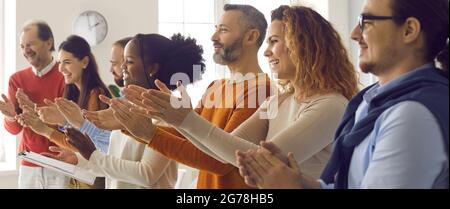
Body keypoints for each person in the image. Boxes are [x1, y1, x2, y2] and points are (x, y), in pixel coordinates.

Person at [123, 4, 359, 186]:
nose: (267, 52)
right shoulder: (279, 100)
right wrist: (177, 120)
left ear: (302, 45)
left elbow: (259, 160)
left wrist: (181, 120)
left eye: (274, 41)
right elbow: (226, 151)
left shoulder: (330, 105)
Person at [237, 0, 449, 189]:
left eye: (366, 21)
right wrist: (299, 182)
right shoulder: (368, 102)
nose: (355, 33)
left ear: (409, 30)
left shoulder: (411, 116)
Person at [105, 4, 273, 189]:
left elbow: (221, 162)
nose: (213, 37)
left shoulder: (260, 90)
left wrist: (149, 132)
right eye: (215, 29)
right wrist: (128, 125)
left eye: (223, 30)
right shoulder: (216, 87)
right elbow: (186, 138)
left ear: (251, 36)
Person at [42, 33, 206, 189]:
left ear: (152, 68)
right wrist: (80, 160)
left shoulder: (168, 113)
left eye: (129, 61)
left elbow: (146, 174)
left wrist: (91, 154)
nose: (122, 67)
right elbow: (115, 162)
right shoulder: (131, 108)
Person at [17, 35, 112, 189]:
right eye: (60, 62)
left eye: (67, 62)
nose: (60, 69)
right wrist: (34, 114)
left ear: (85, 62)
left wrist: (45, 130)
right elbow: (70, 139)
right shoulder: (73, 93)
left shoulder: (96, 94)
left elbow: (89, 147)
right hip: (79, 177)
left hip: (94, 180)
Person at [0, 20, 68, 189]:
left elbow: (70, 124)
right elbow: (15, 129)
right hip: (29, 162)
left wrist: (35, 112)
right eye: (22, 46)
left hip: (60, 162)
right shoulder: (16, 80)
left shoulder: (66, 76)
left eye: (30, 44)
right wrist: (10, 116)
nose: (25, 50)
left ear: (49, 43)